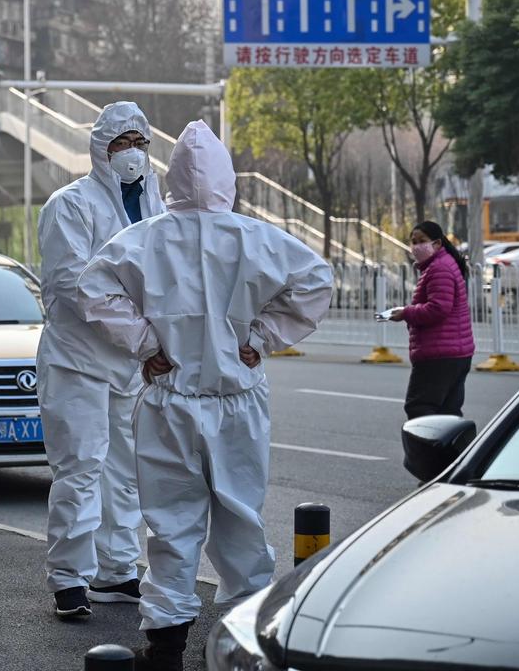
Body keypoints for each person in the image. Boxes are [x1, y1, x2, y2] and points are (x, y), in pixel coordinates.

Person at [76, 120, 333, 670]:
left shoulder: (142, 237)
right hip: (237, 399)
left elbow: (93, 290)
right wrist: (261, 338)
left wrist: (146, 345)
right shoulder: (258, 237)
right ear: (227, 179)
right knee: (241, 518)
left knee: (170, 524)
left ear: (170, 180)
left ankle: (165, 645)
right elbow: (316, 280)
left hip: (170, 399)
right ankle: (249, 639)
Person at [36, 101, 164, 619]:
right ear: (99, 150)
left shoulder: (154, 203)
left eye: (139, 143)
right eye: (121, 144)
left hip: (128, 364)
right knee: (81, 469)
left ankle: (118, 571)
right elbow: (73, 285)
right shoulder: (71, 205)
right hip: (78, 362)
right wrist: (141, 335)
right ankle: (69, 578)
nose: (132, 153)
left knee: (126, 473)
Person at [388, 221, 475, 418]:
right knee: (448, 413)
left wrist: (406, 313)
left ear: (437, 243)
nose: (417, 246)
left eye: (422, 241)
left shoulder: (439, 269)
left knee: (420, 409)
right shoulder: (440, 265)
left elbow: (438, 308)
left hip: (439, 354)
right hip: (454, 353)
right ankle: (453, 450)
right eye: (414, 242)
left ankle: (425, 450)